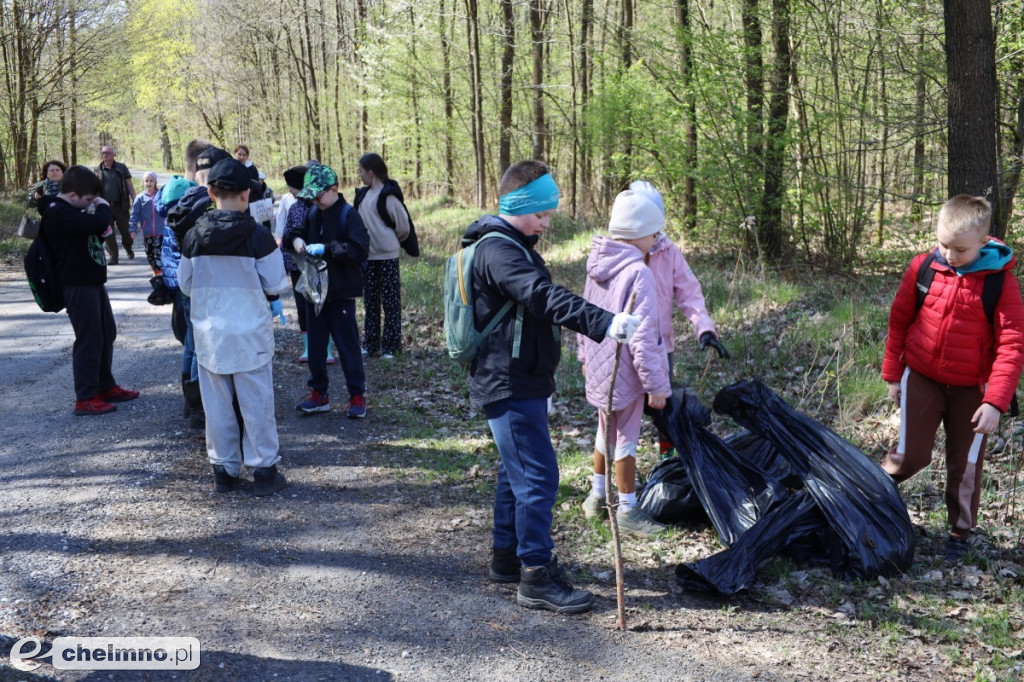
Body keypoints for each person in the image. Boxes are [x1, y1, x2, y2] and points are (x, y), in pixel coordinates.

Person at [465, 159, 642, 615]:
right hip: (509, 381)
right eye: (542, 215)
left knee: (516, 473)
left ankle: (507, 559)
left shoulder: (514, 244)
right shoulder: (500, 251)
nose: (546, 223)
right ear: (519, 205)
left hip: (519, 378)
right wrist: (605, 321)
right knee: (539, 476)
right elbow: (542, 297)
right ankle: (536, 577)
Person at [881, 195, 1024, 563]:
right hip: (923, 376)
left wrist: (995, 402)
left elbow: (1011, 346)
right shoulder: (923, 268)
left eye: (960, 249)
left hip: (974, 391)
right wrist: (893, 375)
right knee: (909, 456)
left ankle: (959, 535)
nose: (949, 254)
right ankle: (864, 499)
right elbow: (899, 321)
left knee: (965, 465)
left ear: (983, 241)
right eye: (943, 244)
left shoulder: (1000, 284)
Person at [178, 158, 291, 496]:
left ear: (210, 192)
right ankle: (264, 471)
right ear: (246, 195)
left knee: (217, 407)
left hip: (211, 337)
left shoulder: (194, 235)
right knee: (256, 405)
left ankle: (223, 471)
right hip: (250, 335)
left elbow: (185, 284)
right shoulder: (258, 236)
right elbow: (275, 283)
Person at [577, 189, 673, 538]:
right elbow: (643, 339)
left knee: (604, 432)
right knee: (625, 440)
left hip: (600, 369)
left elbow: (583, 316)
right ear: (639, 234)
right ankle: (629, 509)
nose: (656, 240)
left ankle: (596, 497)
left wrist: (585, 357)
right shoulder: (638, 273)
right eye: (654, 234)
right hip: (627, 374)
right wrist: (657, 386)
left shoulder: (597, 265)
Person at [630, 180, 728, 457]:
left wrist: (704, 329)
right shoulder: (619, 253)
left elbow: (689, 292)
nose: (654, 233)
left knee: (665, 408)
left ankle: (667, 462)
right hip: (624, 346)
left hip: (660, 347)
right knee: (626, 413)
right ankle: (612, 482)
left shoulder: (668, 250)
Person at [42, 165, 140, 415]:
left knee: (106, 333)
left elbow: (97, 226)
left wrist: (94, 205)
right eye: (87, 199)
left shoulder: (73, 208)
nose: (91, 203)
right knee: (89, 339)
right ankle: (85, 397)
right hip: (76, 285)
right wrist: (103, 205)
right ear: (73, 195)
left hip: (92, 281)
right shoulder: (58, 212)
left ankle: (105, 387)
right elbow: (99, 223)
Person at [285, 164, 369, 418]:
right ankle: (319, 394)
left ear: (334, 190)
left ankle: (356, 396)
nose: (315, 200)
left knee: (347, 346)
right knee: (316, 346)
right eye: (311, 196)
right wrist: (297, 241)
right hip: (314, 291)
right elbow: (293, 234)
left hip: (340, 292)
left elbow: (359, 250)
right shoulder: (313, 213)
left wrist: (329, 248)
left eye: (319, 196)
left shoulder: (348, 215)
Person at [354, 152, 411, 359]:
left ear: (371, 172)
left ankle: (391, 347)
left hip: (387, 257)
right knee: (370, 302)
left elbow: (403, 226)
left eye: (361, 171)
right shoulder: (363, 195)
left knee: (390, 302)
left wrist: (389, 243)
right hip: (367, 257)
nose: (359, 175)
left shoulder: (388, 196)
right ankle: (371, 344)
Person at [276, 164, 334, 365]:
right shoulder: (295, 208)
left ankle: (326, 349)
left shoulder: (320, 209)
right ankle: (309, 347)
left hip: (318, 265)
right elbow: (287, 236)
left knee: (321, 303)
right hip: (297, 265)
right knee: (304, 305)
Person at [95, 145, 136, 264]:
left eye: (107, 152)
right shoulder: (97, 169)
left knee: (126, 232)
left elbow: (129, 185)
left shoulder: (121, 168)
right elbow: (94, 188)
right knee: (108, 233)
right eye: (103, 152)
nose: (105, 154)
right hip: (104, 207)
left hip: (121, 205)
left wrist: (135, 199)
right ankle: (113, 257)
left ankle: (128, 248)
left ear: (113, 154)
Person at [129, 171, 166, 279]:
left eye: (151, 181)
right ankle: (155, 270)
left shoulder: (161, 195)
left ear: (155, 182)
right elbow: (134, 214)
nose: (149, 183)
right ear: (143, 182)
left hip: (161, 231)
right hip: (147, 232)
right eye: (146, 181)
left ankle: (159, 273)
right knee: (150, 254)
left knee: (159, 254)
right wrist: (133, 229)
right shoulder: (140, 198)